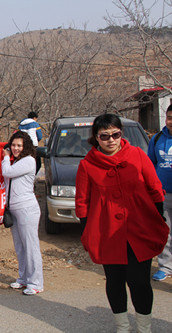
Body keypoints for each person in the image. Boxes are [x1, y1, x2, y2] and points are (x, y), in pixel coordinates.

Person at [75, 114, 168, 333]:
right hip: (107, 232)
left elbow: (155, 188)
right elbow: (82, 201)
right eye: (104, 136)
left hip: (139, 228)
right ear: (96, 138)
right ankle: (122, 326)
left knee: (140, 281)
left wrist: (158, 218)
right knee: (115, 280)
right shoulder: (87, 165)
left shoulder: (137, 155)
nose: (111, 140)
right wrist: (87, 230)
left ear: (121, 134)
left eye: (115, 134)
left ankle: (144, 328)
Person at [1, 130, 43, 295]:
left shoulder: (29, 161)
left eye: (19, 145)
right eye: (13, 145)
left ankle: (36, 283)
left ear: (25, 147)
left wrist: (5, 156)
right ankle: (23, 278)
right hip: (14, 209)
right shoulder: (15, 161)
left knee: (30, 246)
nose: (15, 148)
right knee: (20, 246)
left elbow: (7, 173)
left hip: (27, 209)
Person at [147, 104, 172, 282]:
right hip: (163, 194)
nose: (171, 121)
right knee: (165, 232)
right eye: (169, 117)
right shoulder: (156, 139)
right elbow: (150, 166)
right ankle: (165, 267)